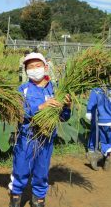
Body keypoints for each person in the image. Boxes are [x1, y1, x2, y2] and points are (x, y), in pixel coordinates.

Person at [9, 52, 71, 207]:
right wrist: (40, 107)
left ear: (45, 68)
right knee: (21, 169)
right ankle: (16, 197)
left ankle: (39, 199)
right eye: (30, 67)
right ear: (26, 70)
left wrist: (67, 108)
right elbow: (18, 113)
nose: (34, 69)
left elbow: (63, 118)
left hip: (47, 138)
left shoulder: (57, 90)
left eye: (38, 66)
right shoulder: (22, 90)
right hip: (26, 137)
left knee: (42, 171)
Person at [86, 86, 111, 171]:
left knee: (104, 141)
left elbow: (92, 102)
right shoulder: (100, 90)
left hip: (102, 121)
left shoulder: (97, 90)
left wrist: (89, 111)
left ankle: (99, 157)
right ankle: (106, 157)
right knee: (109, 141)